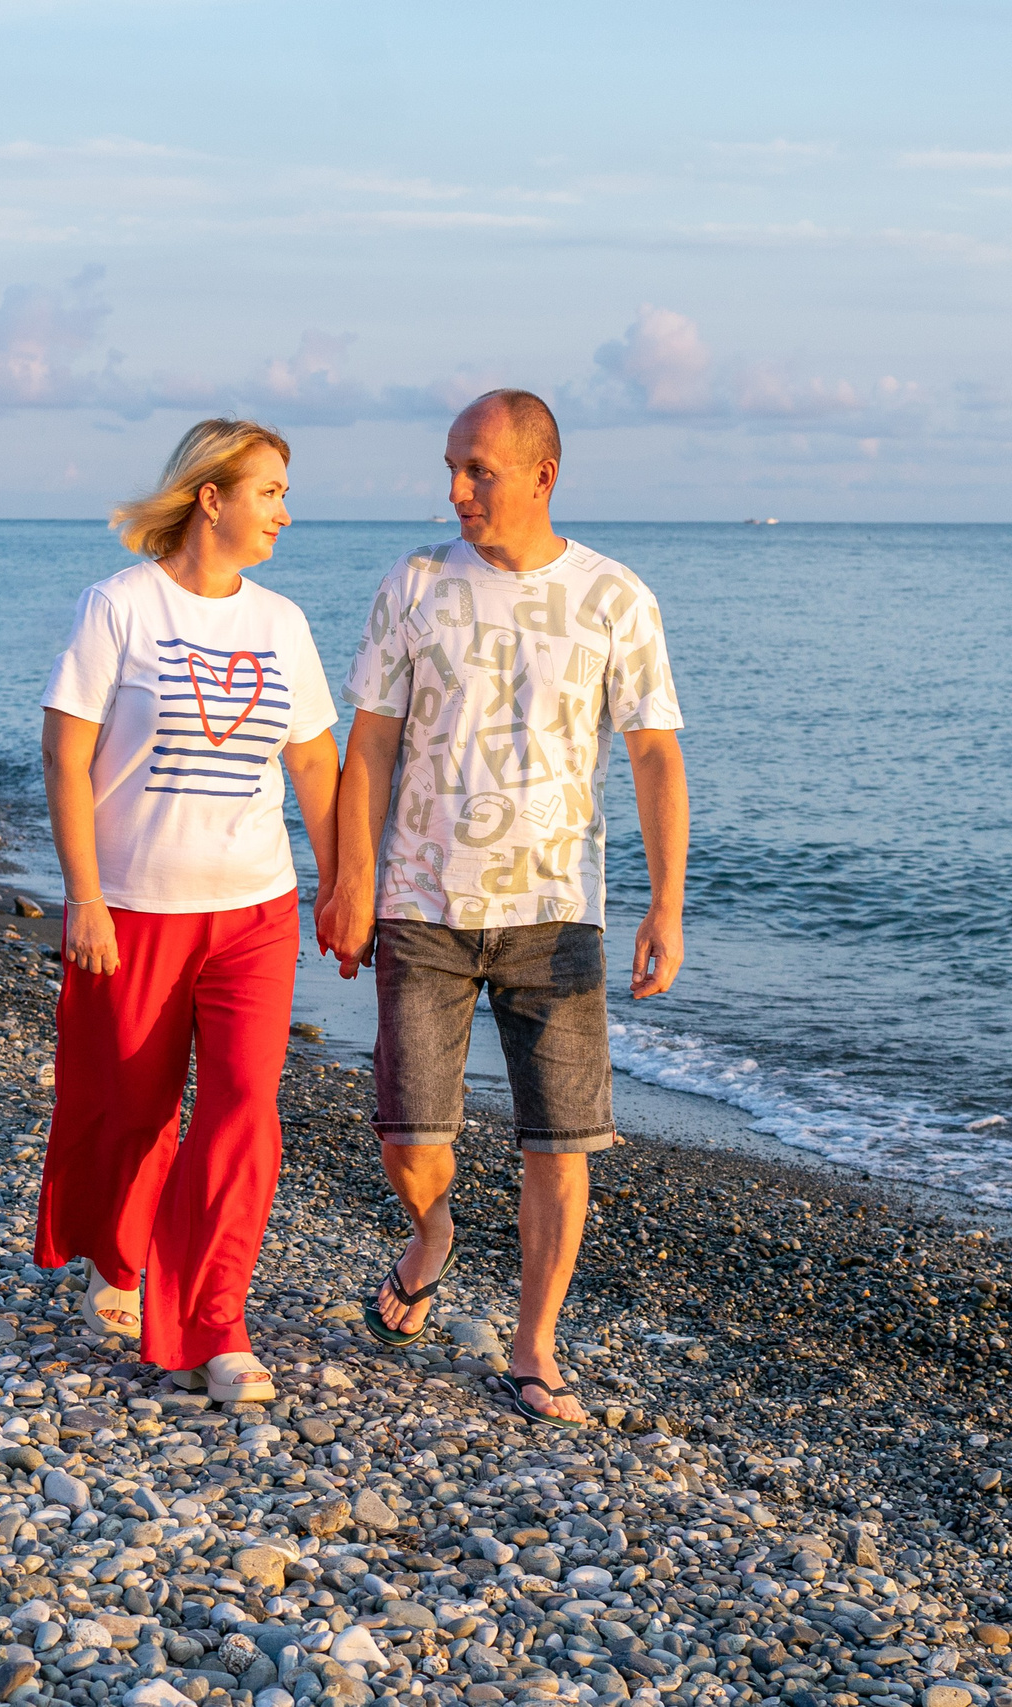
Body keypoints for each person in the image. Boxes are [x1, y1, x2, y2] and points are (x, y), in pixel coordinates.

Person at [323, 388, 688, 1429]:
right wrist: (347, 877)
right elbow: (373, 744)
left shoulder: (616, 597)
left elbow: (654, 751)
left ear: (542, 474)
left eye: (478, 469)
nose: (456, 489)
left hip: (557, 909)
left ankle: (534, 1349)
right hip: (420, 903)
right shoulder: (416, 582)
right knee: (407, 1135)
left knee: (558, 1142)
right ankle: (431, 1237)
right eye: (452, 466)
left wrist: (666, 903)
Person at [31, 418, 340, 1403]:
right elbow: (66, 754)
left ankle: (217, 1321)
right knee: (135, 1114)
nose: (285, 513)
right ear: (212, 497)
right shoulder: (119, 606)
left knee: (246, 1112)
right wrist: (84, 896)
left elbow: (314, 765)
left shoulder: (282, 625)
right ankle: (119, 1260)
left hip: (255, 909)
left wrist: (341, 884)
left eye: (285, 494)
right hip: (136, 909)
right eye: (270, 492)